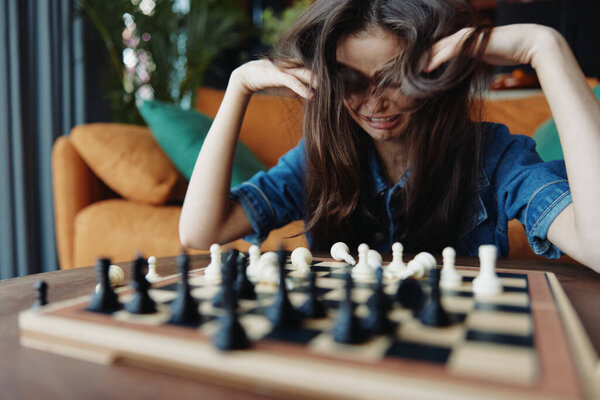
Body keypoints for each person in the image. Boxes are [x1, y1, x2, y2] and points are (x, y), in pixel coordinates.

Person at [179, 0, 600, 273]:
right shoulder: (316, 161)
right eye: (351, 82)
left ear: (436, 72)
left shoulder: (493, 156)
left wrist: (544, 46)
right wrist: (239, 85)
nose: (375, 104)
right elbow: (201, 233)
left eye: (395, 79)